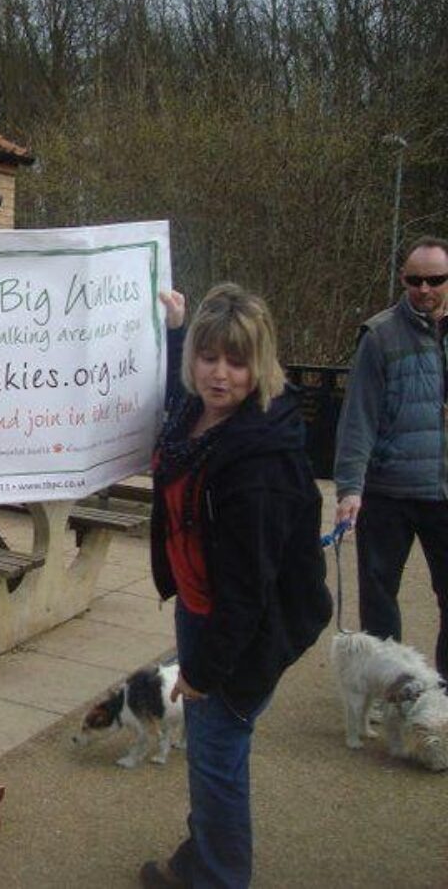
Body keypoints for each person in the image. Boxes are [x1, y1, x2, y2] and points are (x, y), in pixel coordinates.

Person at [141, 285, 331, 889]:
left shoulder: (261, 459)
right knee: (208, 753)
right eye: (207, 357)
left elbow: (250, 592)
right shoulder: (195, 415)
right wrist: (173, 329)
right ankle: (201, 858)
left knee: (218, 762)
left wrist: (204, 672)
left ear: (262, 362)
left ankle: (219, 876)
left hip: (241, 631)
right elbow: (175, 400)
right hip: (200, 610)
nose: (220, 375)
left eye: (238, 362)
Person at [334, 236, 448, 680]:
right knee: (379, 595)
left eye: (435, 280)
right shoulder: (379, 336)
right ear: (403, 279)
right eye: (414, 280)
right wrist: (349, 488)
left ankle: (440, 691)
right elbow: (357, 417)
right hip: (388, 489)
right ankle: (389, 685)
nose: (424, 289)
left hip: (443, 492)